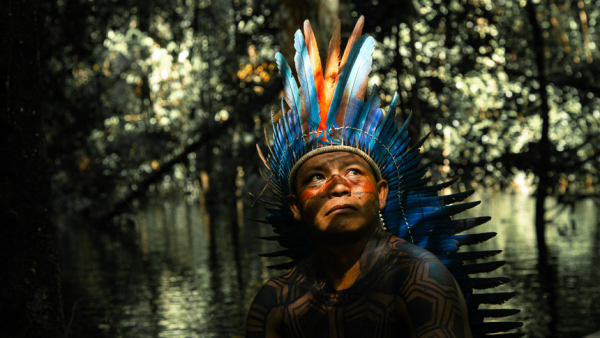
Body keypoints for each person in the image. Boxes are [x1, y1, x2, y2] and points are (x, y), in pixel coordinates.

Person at [246, 16, 521, 338]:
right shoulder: (274, 300)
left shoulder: (420, 278)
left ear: (381, 193)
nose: (337, 186)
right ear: (294, 206)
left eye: (353, 172)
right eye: (317, 178)